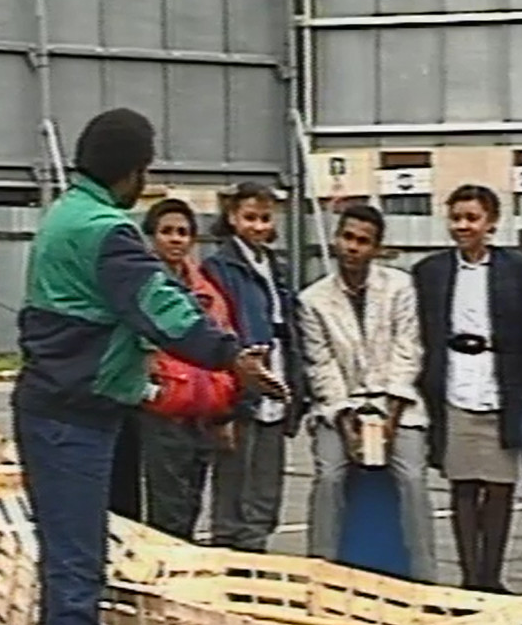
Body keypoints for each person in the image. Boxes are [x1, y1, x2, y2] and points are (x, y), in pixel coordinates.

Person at [12, 108, 280, 625]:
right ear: (133, 171)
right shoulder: (107, 232)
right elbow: (162, 310)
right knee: (80, 562)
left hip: (55, 406)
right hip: (73, 415)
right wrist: (230, 358)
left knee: (65, 555)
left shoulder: (65, 214)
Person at [300, 204, 436, 581]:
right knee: (329, 476)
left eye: (363, 241)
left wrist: (390, 418)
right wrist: (347, 424)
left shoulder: (399, 287)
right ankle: (321, 574)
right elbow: (321, 366)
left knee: (412, 477)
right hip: (340, 406)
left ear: (376, 248)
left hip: (396, 402)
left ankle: (425, 579)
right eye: (347, 237)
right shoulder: (313, 300)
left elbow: (408, 350)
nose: (352, 247)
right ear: (335, 238)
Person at [413, 185, 522, 593]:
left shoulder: (519, 268)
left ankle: (492, 577)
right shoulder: (430, 271)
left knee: (500, 486)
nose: (463, 226)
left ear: (491, 223)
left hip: (502, 385)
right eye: (456, 218)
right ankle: (469, 578)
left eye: (472, 218)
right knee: (463, 484)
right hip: (454, 384)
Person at [204, 183, 307, 553]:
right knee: (232, 485)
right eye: (250, 218)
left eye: (265, 218)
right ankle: (229, 557)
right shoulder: (219, 268)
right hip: (240, 388)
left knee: (266, 486)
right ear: (232, 218)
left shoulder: (275, 267)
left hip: (276, 381)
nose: (258, 226)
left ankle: (256, 552)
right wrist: (224, 406)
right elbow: (217, 331)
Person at [135, 197, 238, 540]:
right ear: (152, 237)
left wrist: (223, 413)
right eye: (167, 231)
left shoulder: (206, 290)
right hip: (162, 409)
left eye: (183, 232)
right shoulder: (142, 283)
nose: (175, 239)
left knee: (192, 502)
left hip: (202, 409)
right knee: (168, 507)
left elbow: (223, 341)